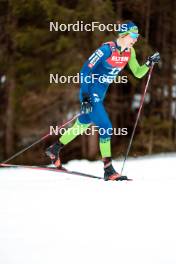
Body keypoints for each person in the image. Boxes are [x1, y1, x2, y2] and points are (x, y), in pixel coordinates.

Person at [45, 21, 160, 181]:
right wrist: (85, 97)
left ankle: (55, 148)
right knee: (106, 126)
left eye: (137, 36)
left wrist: (148, 63)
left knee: (81, 125)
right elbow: (85, 70)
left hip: (100, 94)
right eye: (133, 36)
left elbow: (138, 73)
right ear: (124, 35)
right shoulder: (106, 50)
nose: (135, 39)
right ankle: (108, 169)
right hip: (90, 93)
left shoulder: (129, 52)